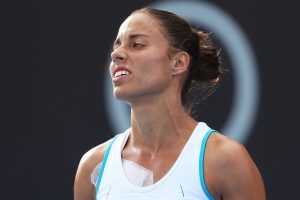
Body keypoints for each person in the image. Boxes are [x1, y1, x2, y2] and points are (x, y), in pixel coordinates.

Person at [74, 7, 265, 200]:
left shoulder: (225, 160)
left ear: (178, 63)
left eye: (137, 44)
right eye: (117, 46)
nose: (116, 54)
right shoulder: (93, 166)